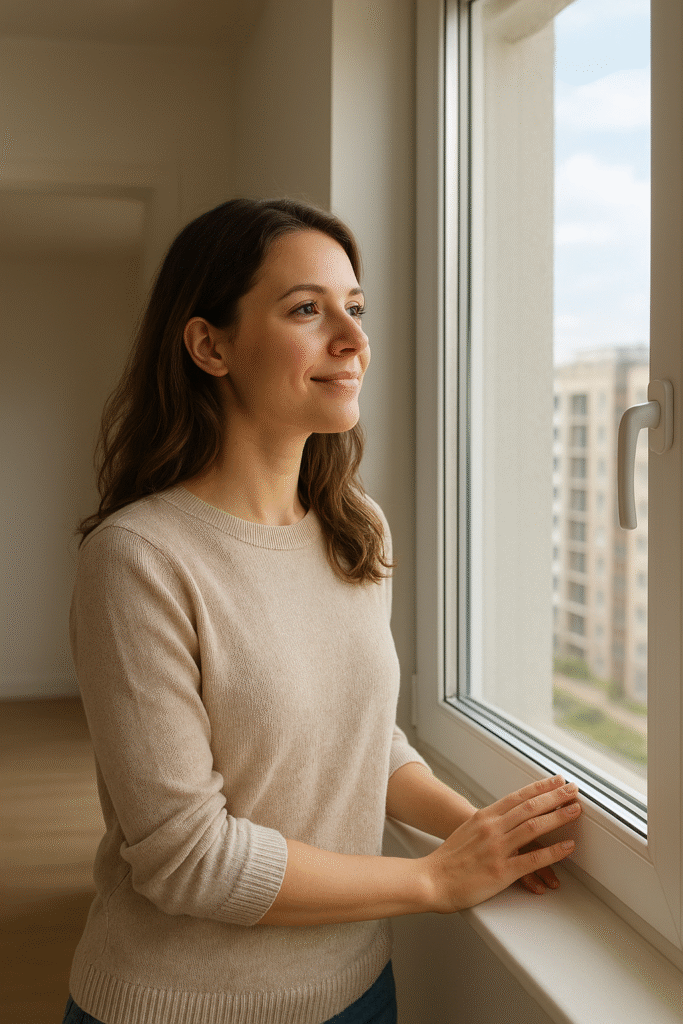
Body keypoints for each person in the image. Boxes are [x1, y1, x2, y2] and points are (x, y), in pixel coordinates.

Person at [62, 197, 581, 1024]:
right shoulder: (139, 559)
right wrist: (434, 879)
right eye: (307, 309)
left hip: (358, 988)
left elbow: (361, 742)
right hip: (183, 1005)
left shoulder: (353, 528)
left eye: (355, 308)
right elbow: (186, 857)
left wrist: (479, 833)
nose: (352, 339)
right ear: (209, 346)